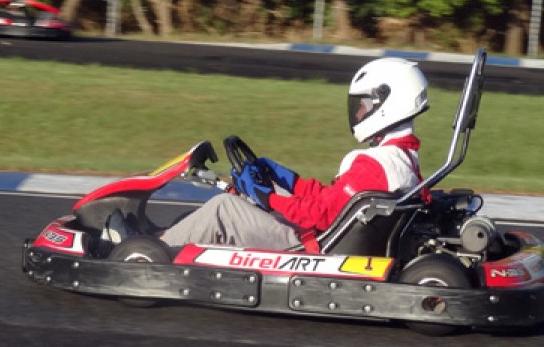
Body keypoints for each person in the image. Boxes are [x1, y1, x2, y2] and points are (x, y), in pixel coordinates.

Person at [147, 57, 430, 251]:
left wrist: (268, 199)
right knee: (241, 203)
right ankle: (167, 239)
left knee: (225, 208)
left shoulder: (375, 166)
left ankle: (151, 250)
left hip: (310, 245)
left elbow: (319, 215)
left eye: (364, 105)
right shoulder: (401, 160)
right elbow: (331, 203)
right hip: (323, 235)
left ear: (388, 104)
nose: (358, 112)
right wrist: (288, 181)